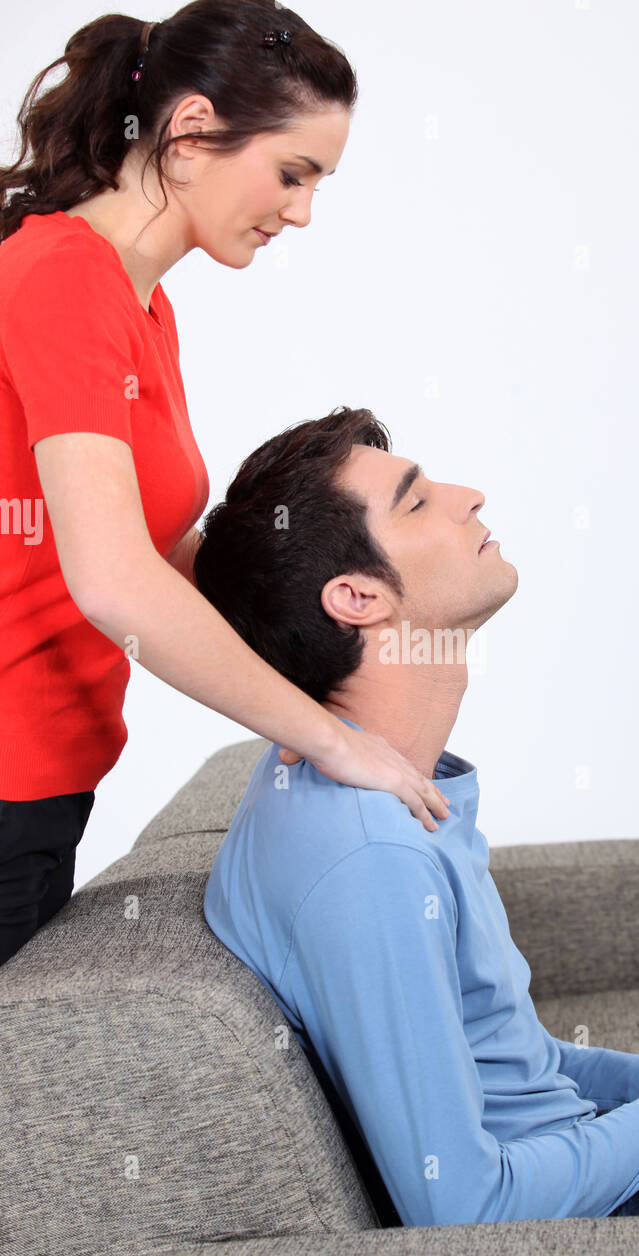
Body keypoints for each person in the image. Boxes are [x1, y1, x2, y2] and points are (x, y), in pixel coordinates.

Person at [194, 402, 639, 1224]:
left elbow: (512, 1061)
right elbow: (464, 1210)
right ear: (358, 598)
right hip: (614, 1217)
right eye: (417, 501)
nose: (469, 495)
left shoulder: (385, 782)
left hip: (601, 1150)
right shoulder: (370, 859)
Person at [0, 3, 450, 968]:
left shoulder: (140, 303)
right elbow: (116, 581)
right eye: (294, 174)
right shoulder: (62, 280)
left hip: (43, 785)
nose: (301, 211)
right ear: (193, 130)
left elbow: (171, 555)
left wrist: (357, 643)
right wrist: (329, 742)